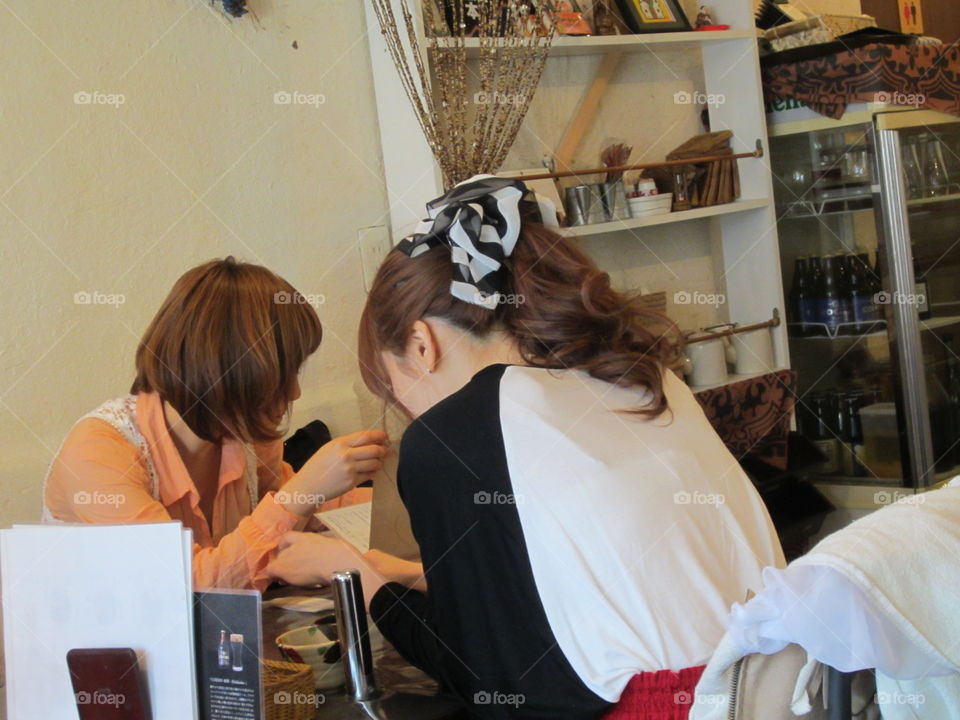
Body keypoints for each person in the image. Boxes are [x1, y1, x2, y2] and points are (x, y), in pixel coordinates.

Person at [267, 177, 785, 719]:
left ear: (422, 345)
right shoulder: (641, 377)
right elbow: (570, 587)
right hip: (786, 687)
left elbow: (490, 680)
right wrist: (402, 572)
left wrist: (358, 577)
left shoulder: (457, 432)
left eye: (396, 391)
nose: (411, 416)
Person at [44, 258, 388, 590]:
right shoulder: (99, 452)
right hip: (110, 649)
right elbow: (185, 588)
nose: (294, 391)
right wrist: (301, 494)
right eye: (284, 374)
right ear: (230, 372)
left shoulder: (244, 436)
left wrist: (401, 496)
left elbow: (304, 514)